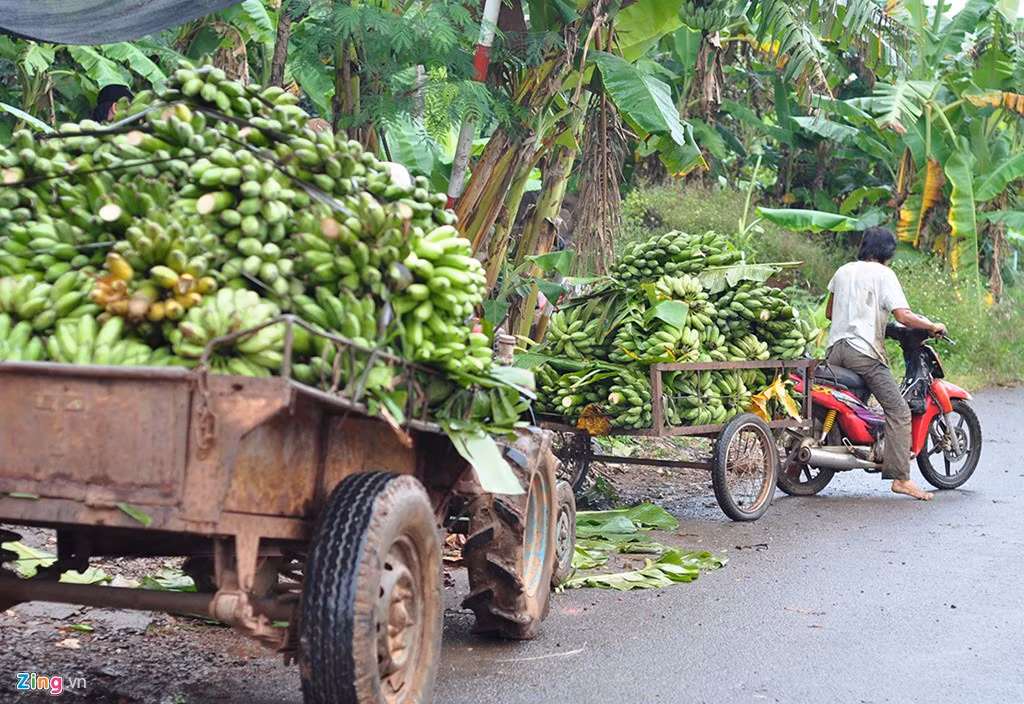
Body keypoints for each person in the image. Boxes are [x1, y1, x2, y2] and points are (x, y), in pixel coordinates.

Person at [824, 226, 946, 501]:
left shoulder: (843, 270)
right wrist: (931, 325)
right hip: (863, 353)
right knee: (899, 411)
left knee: (853, 406)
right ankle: (901, 478)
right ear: (887, 254)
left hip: (835, 352)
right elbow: (903, 316)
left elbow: (830, 312)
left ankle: (800, 464)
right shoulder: (884, 274)